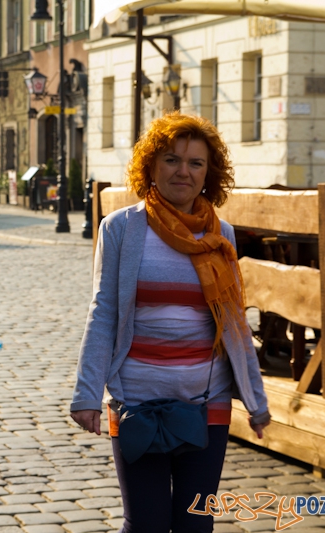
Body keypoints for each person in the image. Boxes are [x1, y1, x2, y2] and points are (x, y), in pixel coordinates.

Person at [70, 112, 270, 533]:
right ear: (151, 167)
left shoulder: (222, 235)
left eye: (196, 163)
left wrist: (256, 401)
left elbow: (234, 323)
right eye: (172, 160)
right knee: (146, 523)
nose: (184, 171)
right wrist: (86, 393)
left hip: (207, 402)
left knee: (196, 525)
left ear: (208, 173)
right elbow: (103, 311)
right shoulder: (121, 229)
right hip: (135, 400)